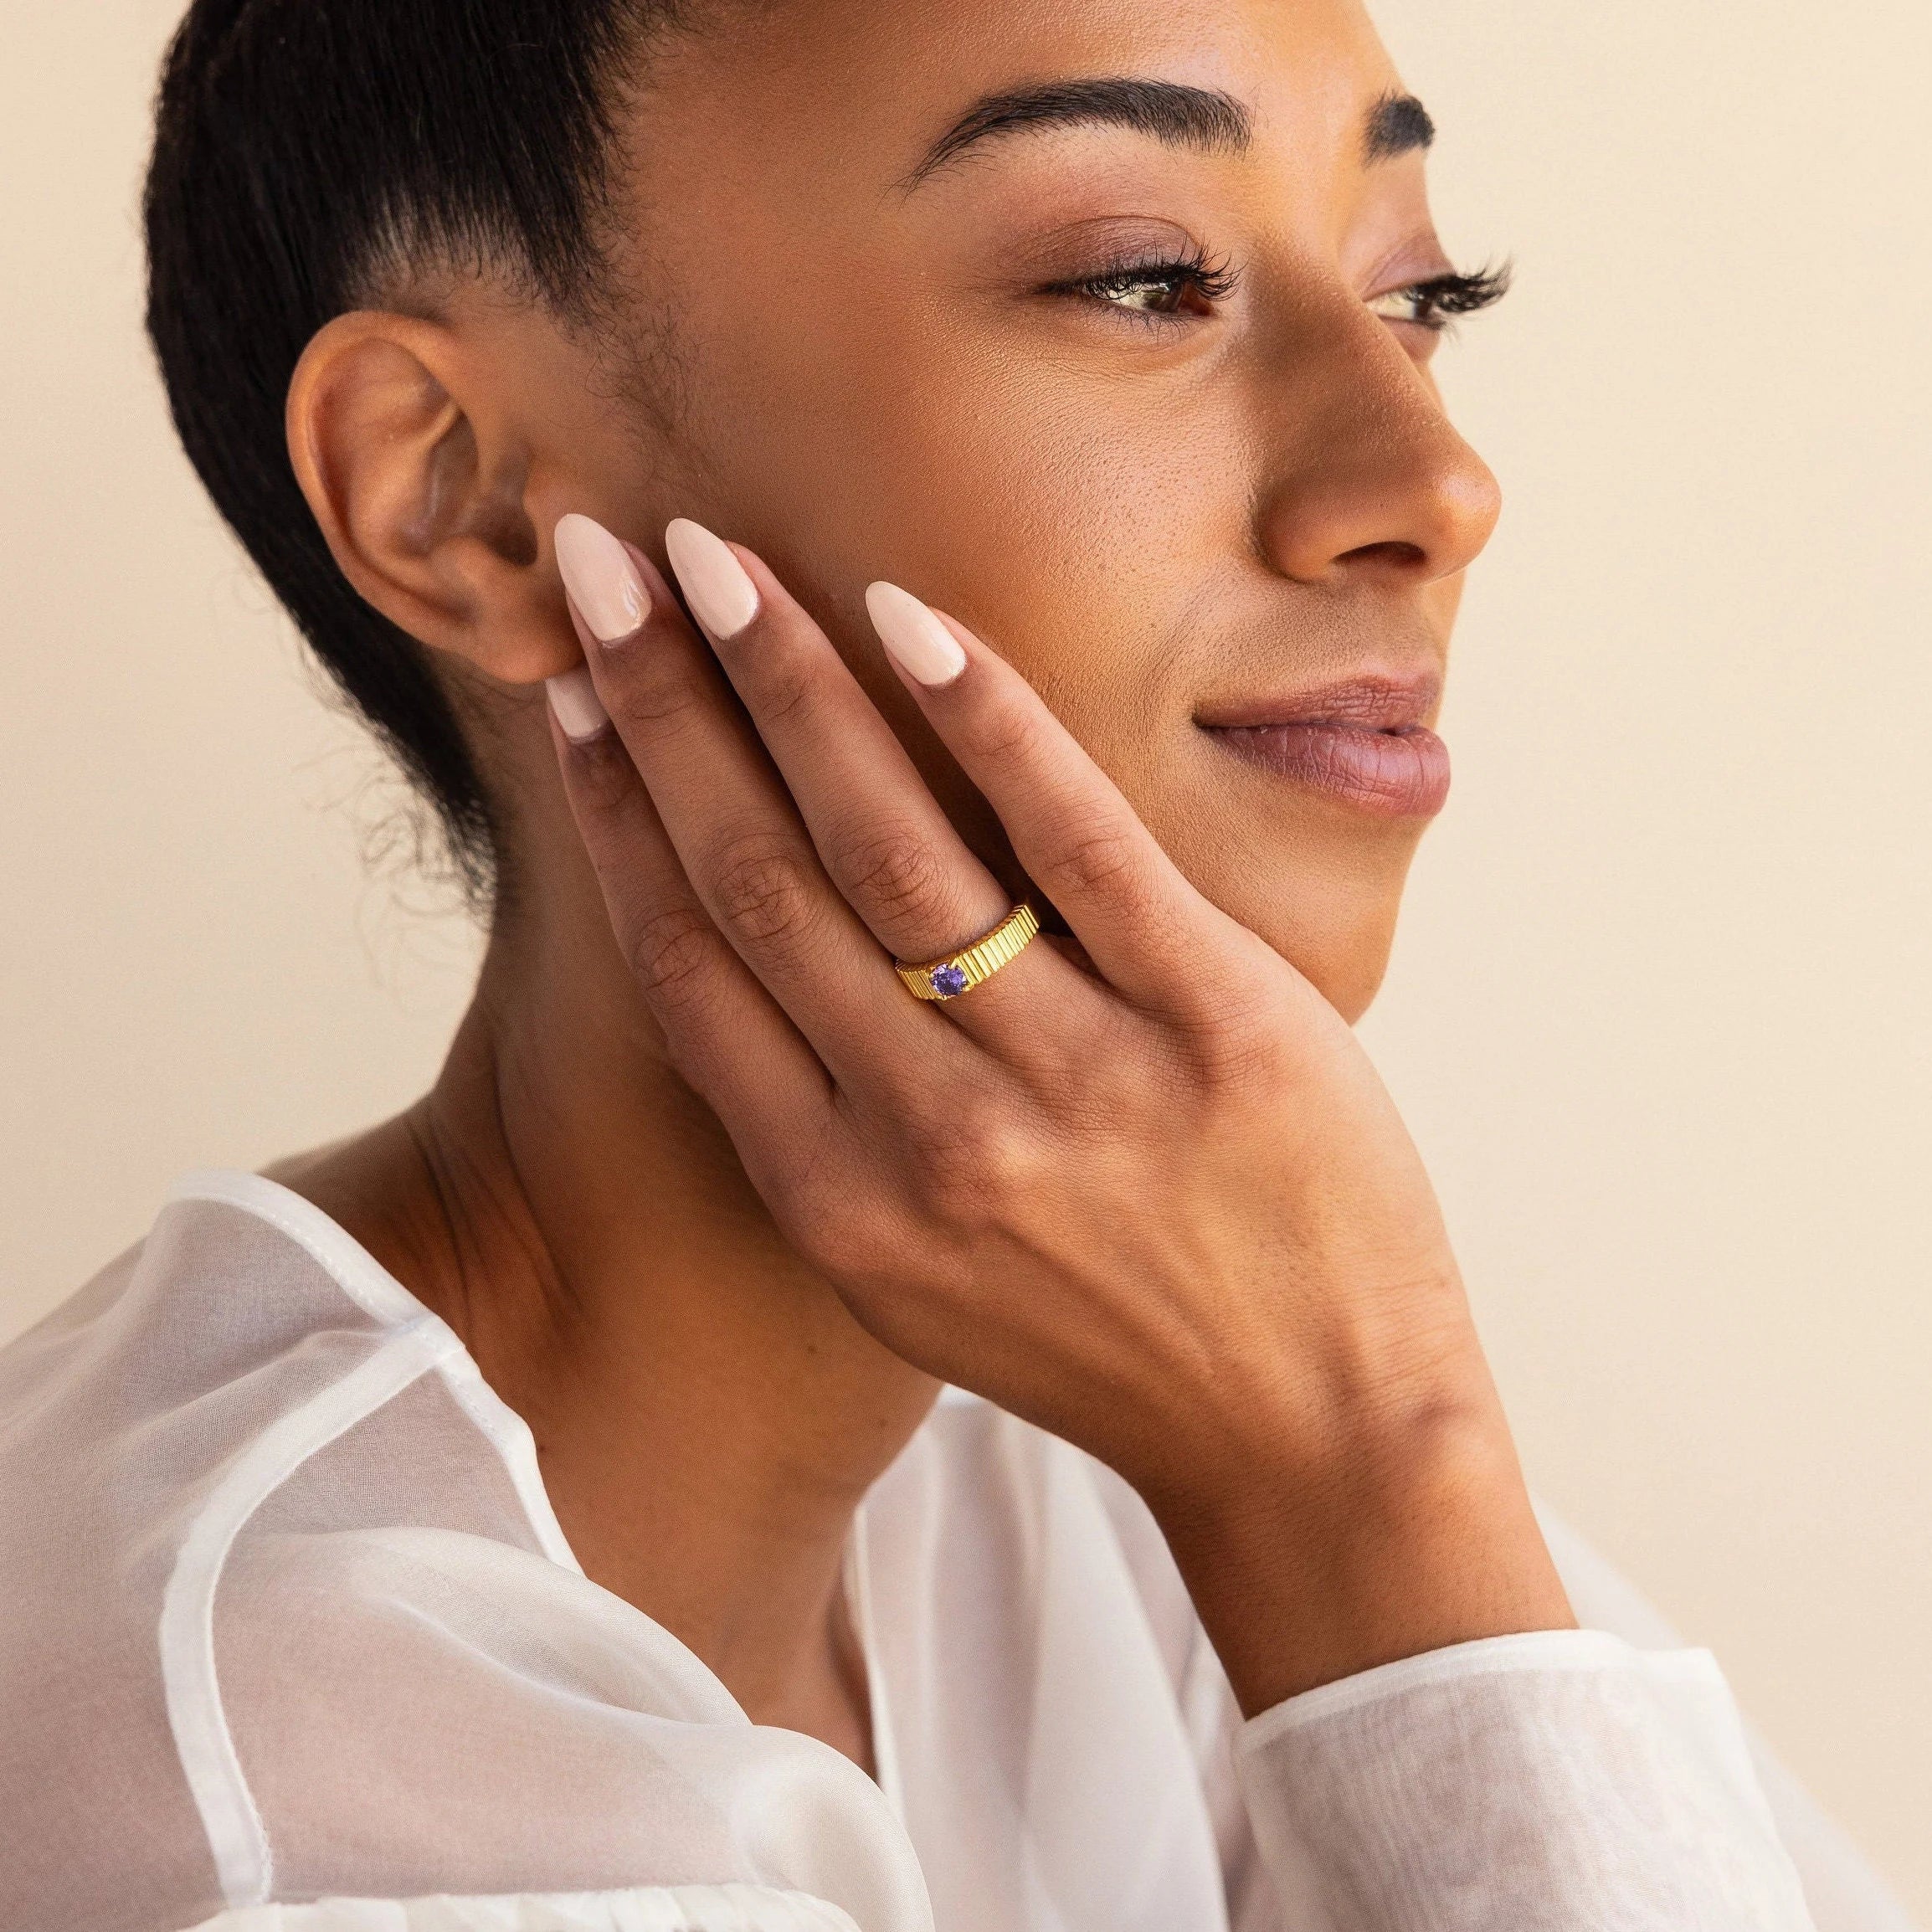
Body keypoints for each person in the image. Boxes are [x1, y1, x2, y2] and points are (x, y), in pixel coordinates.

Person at [0, 0, 1915, 1927]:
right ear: (466, 494)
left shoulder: (1140, 1462)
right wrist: (1370, 1459)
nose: (1432, 485)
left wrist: (1349, 1482)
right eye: (1142, 278)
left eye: (1420, 292)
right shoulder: (287, 1799)